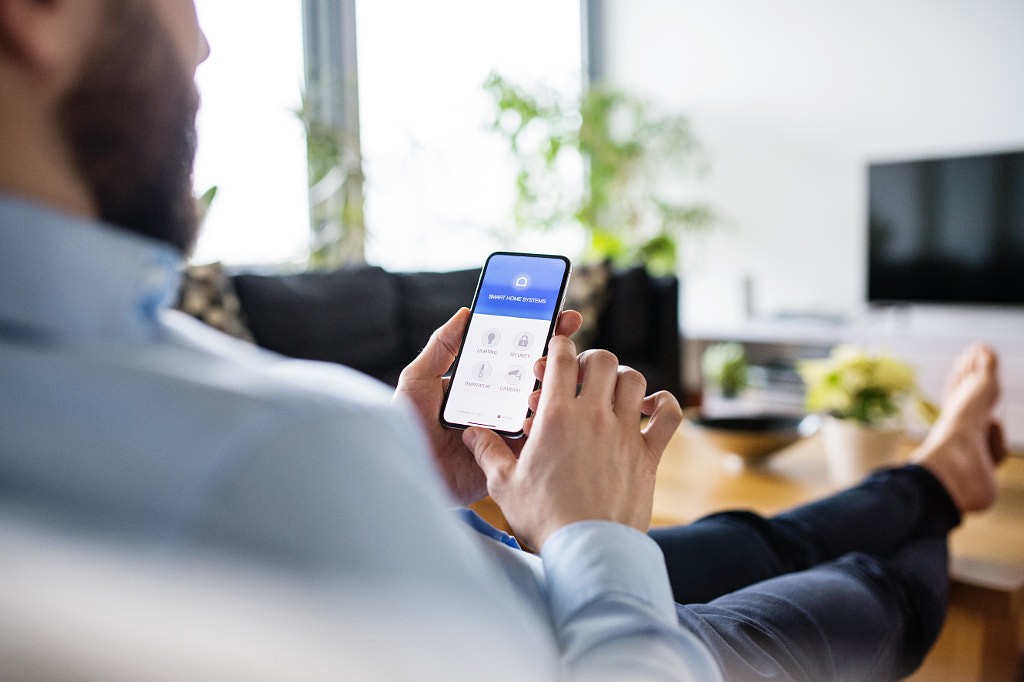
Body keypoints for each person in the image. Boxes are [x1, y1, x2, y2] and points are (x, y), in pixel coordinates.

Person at [0, 1, 1006, 680]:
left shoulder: (95, 366)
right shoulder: (271, 456)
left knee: (763, 535)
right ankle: (939, 485)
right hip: (610, 640)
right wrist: (592, 533)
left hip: (497, 568)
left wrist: (407, 482)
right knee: (877, 584)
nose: (204, 41)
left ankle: (934, 467)